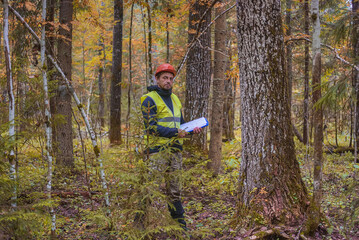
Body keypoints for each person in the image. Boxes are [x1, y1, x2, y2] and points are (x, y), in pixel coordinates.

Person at [140, 63, 201, 230]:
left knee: (175, 190)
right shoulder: (149, 98)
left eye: (171, 78)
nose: (168, 81)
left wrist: (191, 130)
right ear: (157, 79)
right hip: (156, 152)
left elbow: (180, 125)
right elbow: (151, 128)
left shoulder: (175, 99)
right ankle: (139, 225)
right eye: (164, 78)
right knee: (150, 189)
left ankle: (180, 226)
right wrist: (176, 132)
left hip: (175, 151)